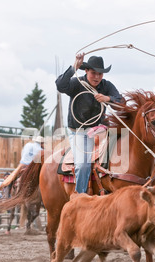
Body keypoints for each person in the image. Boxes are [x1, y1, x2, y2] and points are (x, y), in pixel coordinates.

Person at [56, 53, 123, 193]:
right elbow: (60, 85)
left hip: (101, 131)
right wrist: (74, 67)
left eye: (100, 74)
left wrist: (108, 98)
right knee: (83, 165)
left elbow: (121, 102)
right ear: (86, 71)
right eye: (93, 73)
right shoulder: (77, 83)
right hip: (80, 132)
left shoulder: (106, 86)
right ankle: (80, 196)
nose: (97, 77)